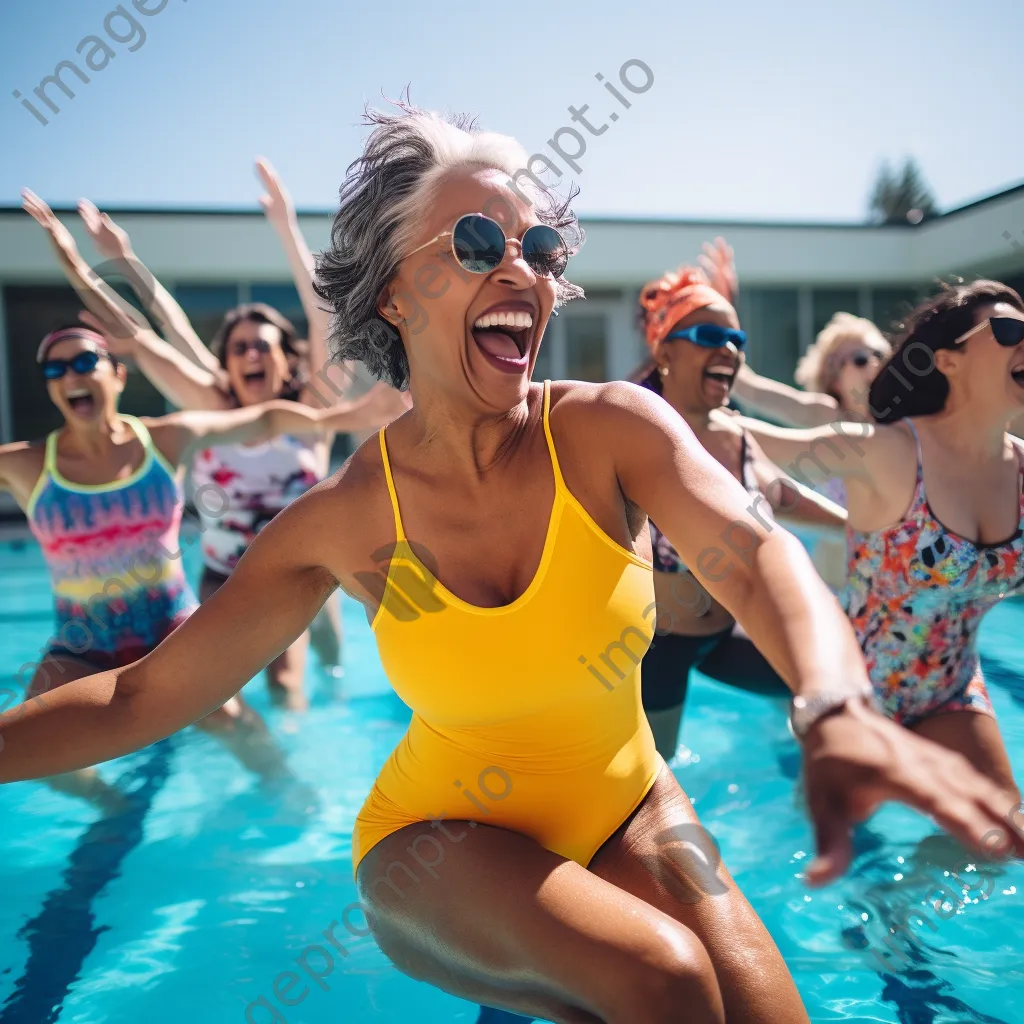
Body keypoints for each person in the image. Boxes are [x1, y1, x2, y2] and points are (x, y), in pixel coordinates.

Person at [3, 105, 1021, 1024]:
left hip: (633, 802)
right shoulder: (348, 517)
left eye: (536, 247)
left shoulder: (609, 430)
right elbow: (139, 697)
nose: (523, 270)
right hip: (434, 843)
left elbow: (757, 556)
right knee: (662, 981)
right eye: (480, 242)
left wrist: (834, 706)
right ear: (396, 293)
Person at [23, 186, 409, 710]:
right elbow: (153, 331)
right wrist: (104, 260)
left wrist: (286, 228)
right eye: (238, 347)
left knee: (321, 672)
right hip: (225, 581)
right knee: (220, 695)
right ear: (225, 362)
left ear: (285, 359)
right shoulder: (209, 409)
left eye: (262, 346)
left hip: (310, 576)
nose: (250, 354)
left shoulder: (315, 407)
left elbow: (323, 317)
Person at [0, 318, 392, 810]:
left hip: (170, 631)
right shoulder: (25, 464)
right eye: (55, 369)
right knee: (26, 747)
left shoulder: (164, 440)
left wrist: (355, 413)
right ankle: (115, 806)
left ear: (118, 375)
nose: (71, 375)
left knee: (235, 723)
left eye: (84, 362)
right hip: (81, 644)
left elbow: (267, 421)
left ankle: (292, 794)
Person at [723, 279, 1024, 801]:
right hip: (855, 691)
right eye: (1008, 329)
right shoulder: (876, 447)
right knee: (843, 865)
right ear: (947, 361)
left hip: (952, 690)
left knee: (1004, 839)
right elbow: (744, 439)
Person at [631, 264, 847, 760]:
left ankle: (813, 786)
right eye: (709, 335)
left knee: (827, 690)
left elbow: (782, 495)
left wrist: (858, 526)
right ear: (665, 351)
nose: (728, 348)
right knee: (653, 779)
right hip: (655, 646)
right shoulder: (633, 428)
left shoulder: (736, 434)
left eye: (736, 337)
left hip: (724, 633)